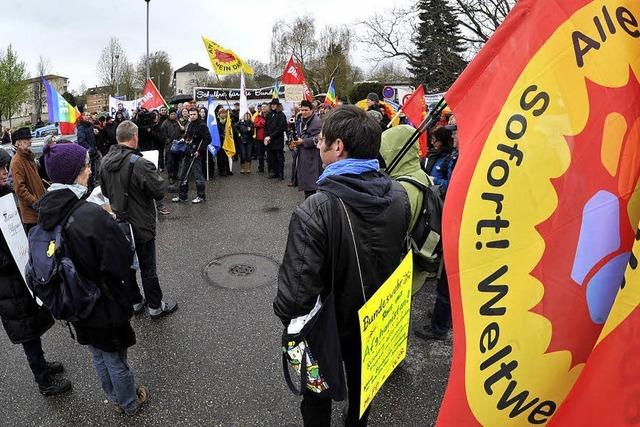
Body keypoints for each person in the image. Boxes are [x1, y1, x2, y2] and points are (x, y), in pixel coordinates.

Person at [274, 106, 410, 426]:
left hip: (326, 328)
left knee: (316, 393)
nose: (318, 146)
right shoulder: (399, 194)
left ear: (337, 147)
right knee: (364, 393)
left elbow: (293, 301)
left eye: (322, 140)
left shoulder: (315, 209)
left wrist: (291, 330)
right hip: (376, 321)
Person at [37, 142, 148, 414]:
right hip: (103, 301)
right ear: (74, 173)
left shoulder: (46, 211)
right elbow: (122, 259)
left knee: (97, 352)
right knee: (114, 355)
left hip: (74, 301)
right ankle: (129, 403)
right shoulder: (90, 214)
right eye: (85, 166)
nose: (89, 170)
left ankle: (113, 396)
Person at [0, 147, 71, 396]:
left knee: (33, 324)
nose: (4, 172)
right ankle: (43, 382)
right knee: (26, 331)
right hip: (6, 285)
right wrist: (10, 258)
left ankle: (42, 364)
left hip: (20, 275)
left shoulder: (6, 196)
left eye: (4, 167)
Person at [100, 120, 178, 319]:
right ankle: (155, 306)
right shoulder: (141, 163)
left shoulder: (105, 162)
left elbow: (105, 192)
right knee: (147, 267)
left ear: (118, 138)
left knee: (127, 265)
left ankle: (135, 301)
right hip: (141, 223)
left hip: (120, 224)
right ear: (135, 137)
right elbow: (159, 190)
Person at [415, 125, 458, 340]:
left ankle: (440, 327)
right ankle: (444, 315)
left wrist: (433, 183)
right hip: (445, 215)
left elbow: (453, 187)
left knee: (448, 280)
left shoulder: (457, 158)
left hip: (453, 221)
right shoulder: (453, 156)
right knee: (445, 278)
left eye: (457, 133)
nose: (455, 136)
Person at [10, 127, 45, 233]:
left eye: (30, 138)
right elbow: (19, 189)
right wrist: (35, 202)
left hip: (39, 210)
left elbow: (36, 180)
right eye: (27, 139)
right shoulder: (17, 161)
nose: (30, 141)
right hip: (32, 215)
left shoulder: (28, 157)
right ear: (19, 142)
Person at [173, 108, 210, 203]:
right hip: (187, 152)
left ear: (198, 114)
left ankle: (201, 196)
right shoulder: (190, 124)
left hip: (196, 153)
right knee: (183, 175)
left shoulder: (202, 125)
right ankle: (182, 196)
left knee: (198, 176)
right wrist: (183, 139)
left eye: (194, 114)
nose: (192, 116)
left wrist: (200, 150)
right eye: (191, 114)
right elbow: (188, 135)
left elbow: (208, 139)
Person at [292, 100, 322, 199]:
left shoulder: (317, 121)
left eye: (306, 110)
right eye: (302, 110)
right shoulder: (301, 120)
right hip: (303, 154)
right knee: (307, 183)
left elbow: (319, 139)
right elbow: (300, 135)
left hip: (312, 156)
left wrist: (303, 142)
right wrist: (295, 142)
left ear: (312, 110)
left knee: (311, 183)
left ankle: (311, 206)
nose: (304, 112)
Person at [76, 110, 100, 192]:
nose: (88, 116)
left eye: (89, 115)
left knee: (93, 173)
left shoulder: (90, 126)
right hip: (88, 154)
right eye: (86, 115)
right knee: (88, 173)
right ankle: (88, 190)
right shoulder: (81, 127)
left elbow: (92, 139)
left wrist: (95, 134)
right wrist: (90, 149)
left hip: (93, 154)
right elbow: (81, 141)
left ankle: (92, 188)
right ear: (82, 117)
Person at [264, 98, 287, 180]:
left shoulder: (281, 115)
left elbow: (280, 128)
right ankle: (273, 172)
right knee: (271, 158)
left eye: (275, 104)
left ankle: (280, 174)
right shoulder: (269, 115)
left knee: (279, 158)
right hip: (270, 140)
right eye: (272, 104)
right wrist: (266, 136)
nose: (273, 106)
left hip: (277, 140)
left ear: (278, 105)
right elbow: (265, 126)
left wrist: (271, 136)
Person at [162, 109, 183, 185]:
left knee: (177, 161)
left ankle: (175, 174)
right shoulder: (165, 123)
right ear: (169, 114)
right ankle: (170, 176)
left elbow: (182, 133)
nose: (173, 115)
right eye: (172, 114)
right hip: (169, 146)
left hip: (178, 145)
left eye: (174, 114)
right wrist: (169, 142)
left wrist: (182, 130)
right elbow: (163, 135)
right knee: (170, 162)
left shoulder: (178, 122)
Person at [216, 107, 232, 177]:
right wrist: (221, 135)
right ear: (219, 114)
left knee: (227, 156)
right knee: (220, 157)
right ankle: (221, 170)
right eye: (221, 113)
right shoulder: (216, 122)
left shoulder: (228, 121)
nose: (223, 114)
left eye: (224, 113)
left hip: (227, 141)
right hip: (220, 141)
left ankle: (228, 170)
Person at [253, 103, 268, 173]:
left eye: (265, 107)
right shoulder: (258, 115)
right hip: (260, 137)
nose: (264, 108)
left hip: (268, 137)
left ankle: (270, 168)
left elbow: (269, 124)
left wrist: (261, 123)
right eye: (263, 107)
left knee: (269, 154)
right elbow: (255, 124)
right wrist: (262, 123)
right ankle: (261, 168)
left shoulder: (270, 115)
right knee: (260, 154)